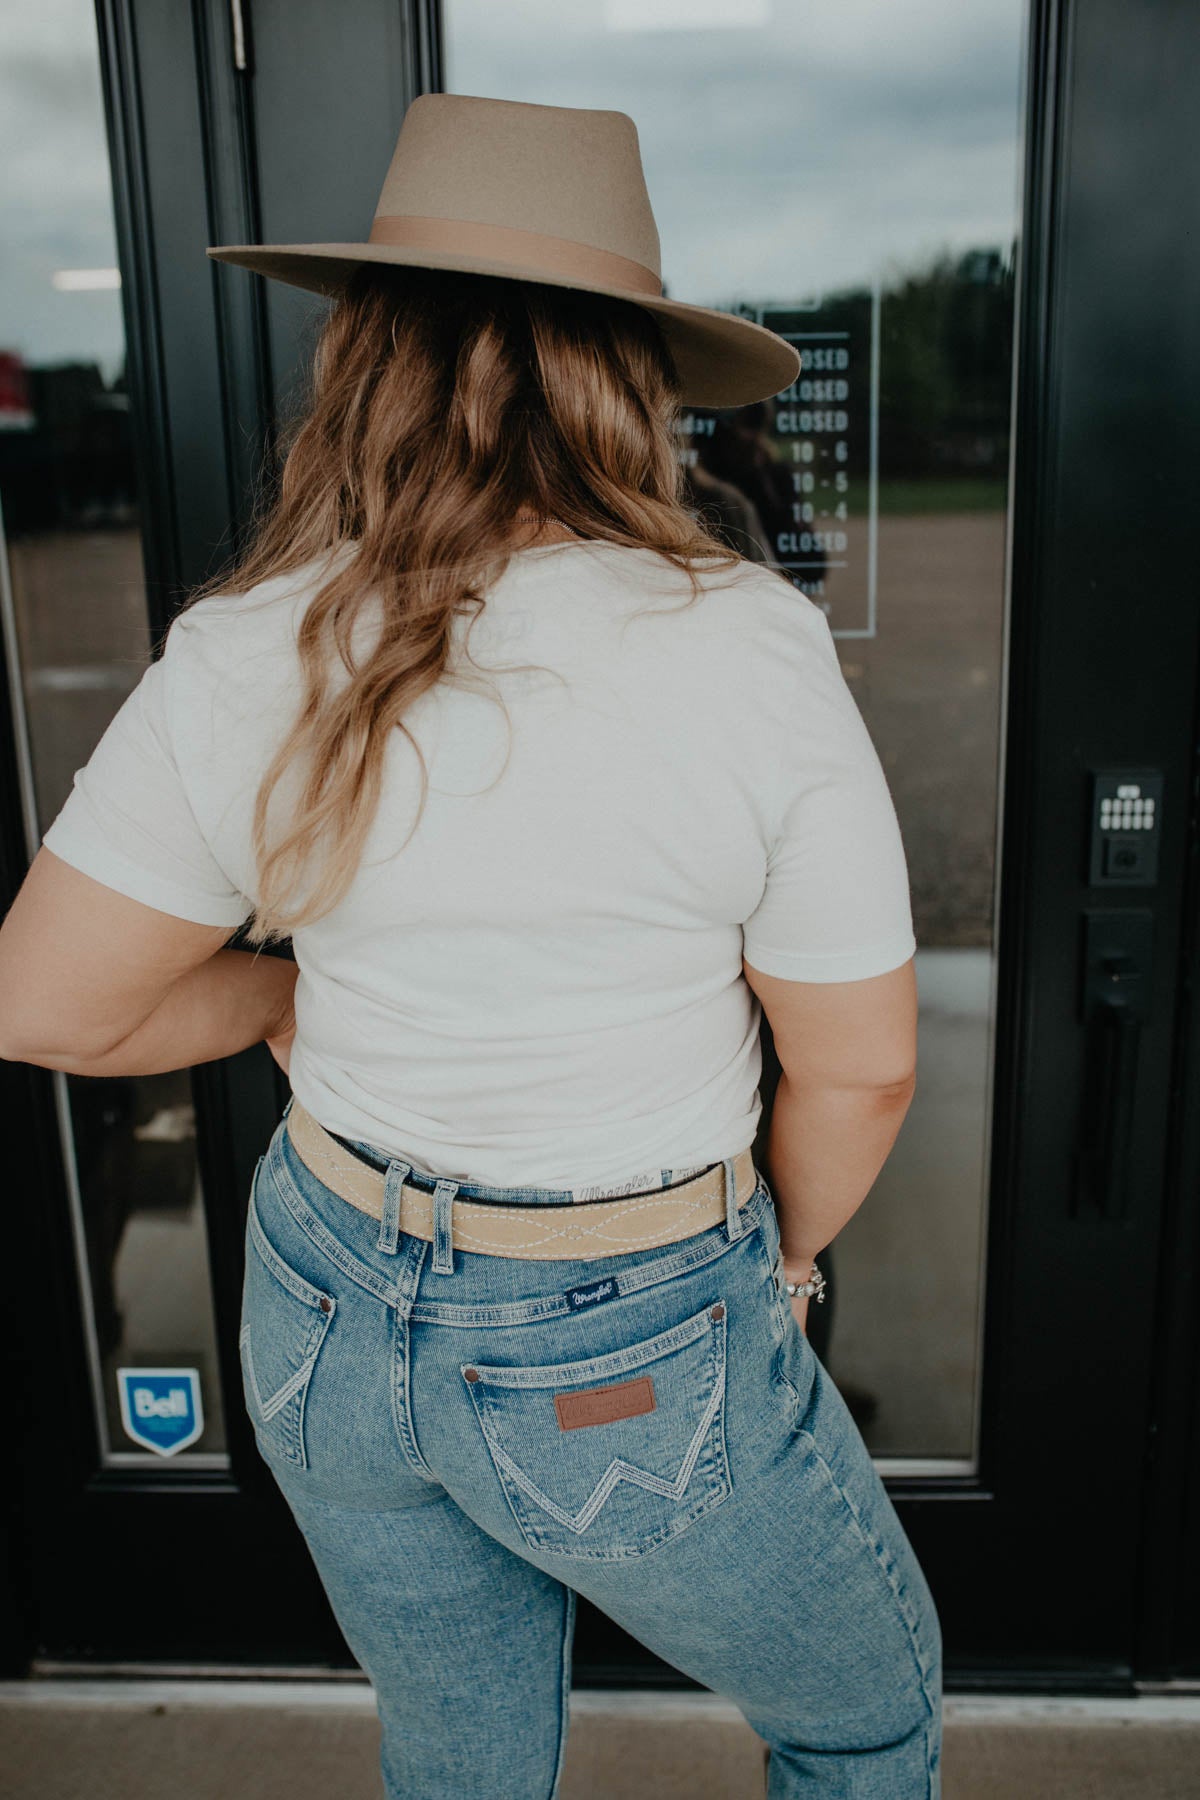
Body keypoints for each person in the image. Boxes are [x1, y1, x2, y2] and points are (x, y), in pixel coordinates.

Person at [0, 93, 941, 1797]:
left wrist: (283, 989)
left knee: (460, 1747)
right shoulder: (741, 648)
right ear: (628, 375)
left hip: (319, 1298)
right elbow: (862, 1066)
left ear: (366, 357)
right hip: (629, 1331)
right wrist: (772, 1271)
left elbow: (44, 1006)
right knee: (861, 1717)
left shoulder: (253, 642)